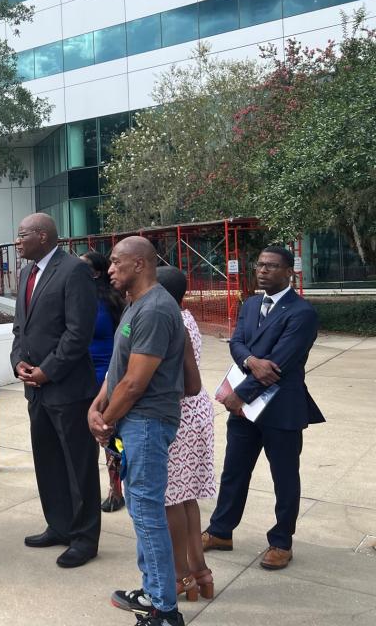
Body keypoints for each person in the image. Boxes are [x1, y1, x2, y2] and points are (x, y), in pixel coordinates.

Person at [203, 246, 323, 571]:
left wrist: (240, 395)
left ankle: (282, 541)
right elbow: (237, 342)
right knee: (234, 472)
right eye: (259, 265)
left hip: (281, 409)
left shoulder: (302, 313)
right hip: (245, 412)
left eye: (271, 266)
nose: (263, 270)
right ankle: (220, 531)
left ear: (289, 273)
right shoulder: (251, 303)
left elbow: (280, 364)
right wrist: (250, 360)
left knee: (284, 477)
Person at [90, 236, 186, 626]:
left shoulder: (157, 309)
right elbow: (120, 368)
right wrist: (97, 405)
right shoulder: (135, 305)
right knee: (142, 509)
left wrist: (107, 419)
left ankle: (165, 610)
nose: (110, 269)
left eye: (116, 262)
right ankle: (152, 591)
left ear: (141, 264)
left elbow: (135, 382)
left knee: (146, 512)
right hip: (133, 420)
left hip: (145, 421)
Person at [114, 267, 215, 614]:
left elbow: (137, 379)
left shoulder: (161, 318)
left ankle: (175, 578)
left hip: (174, 414)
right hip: (192, 414)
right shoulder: (185, 316)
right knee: (185, 499)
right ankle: (199, 572)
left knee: (166, 500)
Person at [11, 214, 100, 568]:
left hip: (67, 388)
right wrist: (18, 362)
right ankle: (60, 526)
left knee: (78, 466)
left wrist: (48, 370)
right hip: (36, 390)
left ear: (43, 236)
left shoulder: (73, 271)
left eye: (22, 235)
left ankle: (84, 537)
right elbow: (21, 328)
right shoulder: (26, 274)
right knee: (47, 461)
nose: (17, 242)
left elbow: (79, 332)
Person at [81, 250, 127, 514]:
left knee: (111, 437)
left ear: (96, 272)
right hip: (83, 377)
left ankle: (116, 488)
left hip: (107, 376)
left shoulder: (111, 300)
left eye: (84, 267)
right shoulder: (80, 299)